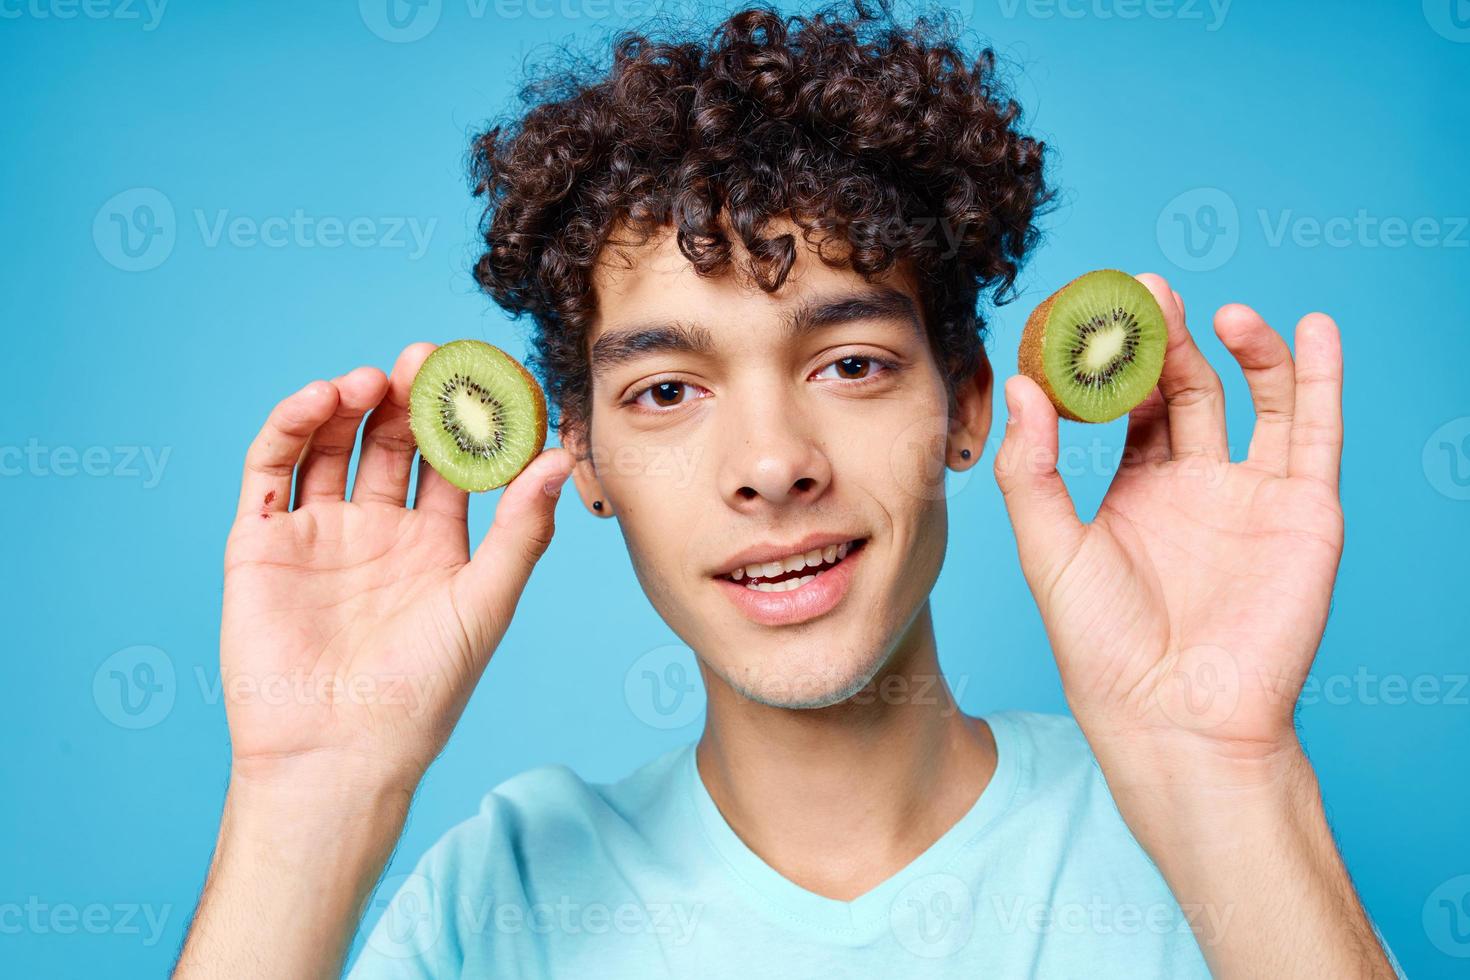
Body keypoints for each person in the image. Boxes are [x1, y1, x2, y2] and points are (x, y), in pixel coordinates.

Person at [173, 3, 1399, 976]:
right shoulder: (500, 895)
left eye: (852, 363)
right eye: (664, 390)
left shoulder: (1196, 845)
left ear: (966, 405)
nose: (773, 464)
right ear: (587, 460)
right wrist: (306, 794)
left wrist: (1227, 771)